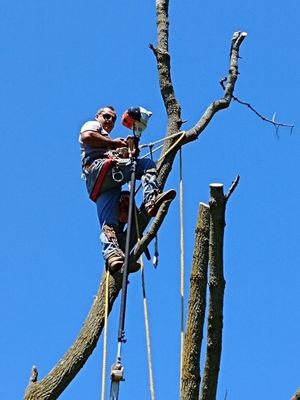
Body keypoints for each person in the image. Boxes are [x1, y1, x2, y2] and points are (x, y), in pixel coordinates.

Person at [79, 105, 176, 272]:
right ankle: (151, 198)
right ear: (97, 116)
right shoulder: (93, 126)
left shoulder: (106, 140)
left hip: (99, 186)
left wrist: (126, 149)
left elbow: (119, 154)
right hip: (99, 169)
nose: (110, 120)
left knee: (109, 224)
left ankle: (113, 256)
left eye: (113, 119)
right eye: (106, 116)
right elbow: (87, 136)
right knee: (146, 165)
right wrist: (114, 143)